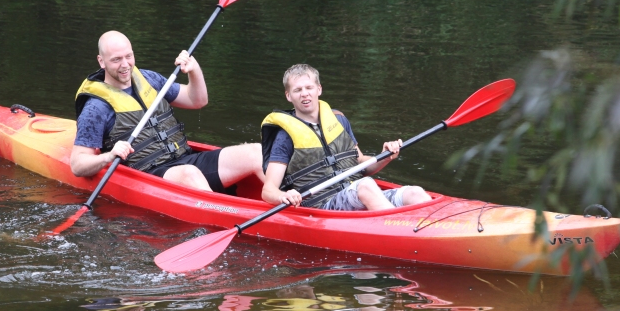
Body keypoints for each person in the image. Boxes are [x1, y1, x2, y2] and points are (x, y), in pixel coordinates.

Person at [71, 31, 263, 193]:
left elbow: (197, 100)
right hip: (151, 174)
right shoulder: (95, 108)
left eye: (128, 56)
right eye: (116, 60)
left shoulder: (149, 79)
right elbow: (78, 165)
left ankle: (284, 200)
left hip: (186, 158)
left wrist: (194, 70)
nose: (125, 65)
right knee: (190, 174)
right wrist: (109, 156)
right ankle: (225, 217)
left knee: (256, 152)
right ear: (101, 61)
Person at [261, 63, 432, 210]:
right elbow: (268, 191)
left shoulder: (338, 120)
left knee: (415, 192)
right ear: (288, 96)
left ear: (318, 89)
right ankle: (401, 232)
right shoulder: (285, 136)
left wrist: (385, 156)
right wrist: (284, 195)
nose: (304, 93)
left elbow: (361, 165)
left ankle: (429, 233)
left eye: (309, 88)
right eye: (297, 90)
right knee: (365, 185)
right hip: (322, 206)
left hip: (356, 195)